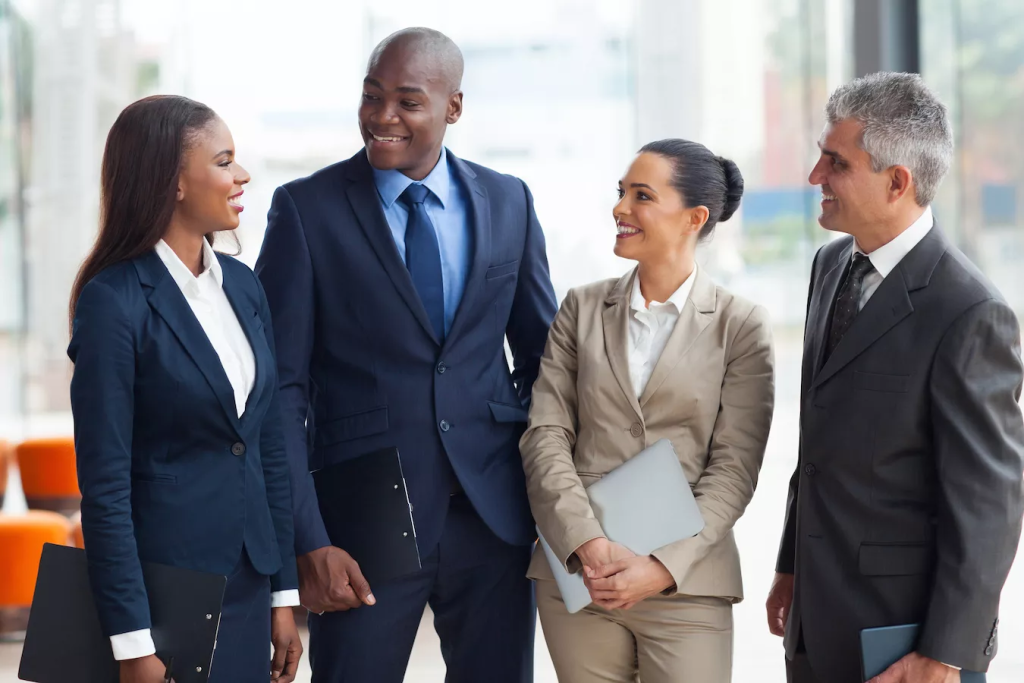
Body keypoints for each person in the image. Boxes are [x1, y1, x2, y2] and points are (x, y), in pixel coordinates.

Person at [255, 28, 557, 683]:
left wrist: (542, 488)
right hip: (363, 521)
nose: (382, 117)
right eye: (371, 97)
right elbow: (279, 389)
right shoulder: (306, 211)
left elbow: (546, 359)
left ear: (453, 108)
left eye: (407, 101)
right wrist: (307, 539)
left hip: (492, 514)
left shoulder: (510, 200)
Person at [766, 72, 1024, 683]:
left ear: (897, 182)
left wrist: (946, 653)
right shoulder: (830, 266)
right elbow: (819, 448)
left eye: (835, 163)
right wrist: (791, 562)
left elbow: (988, 505)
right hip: (815, 622)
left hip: (907, 646)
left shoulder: (970, 312)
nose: (814, 177)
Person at [520, 139, 775, 683]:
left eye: (642, 196)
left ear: (694, 218)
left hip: (687, 580)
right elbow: (545, 434)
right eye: (620, 193)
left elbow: (734, 469)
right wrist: (587, 543)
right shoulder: (581, 307)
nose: (620, 209)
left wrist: (660, 567)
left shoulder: (741, 326)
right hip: (581, 574)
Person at [67, 95, 302, 683]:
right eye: (224, 161)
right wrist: (132, 644)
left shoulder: (244, 289)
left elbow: (268, 444)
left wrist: (282, 596)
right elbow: (105, 485)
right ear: (173, 182)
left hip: (248, 585)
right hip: (163, 599)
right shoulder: (114, 302)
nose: (242, 175)